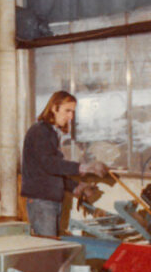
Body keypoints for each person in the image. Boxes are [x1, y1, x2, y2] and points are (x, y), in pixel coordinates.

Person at [20, 91, 107, 238]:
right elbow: (49, 164)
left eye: (73, 112)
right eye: (67, 111)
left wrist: (76, 187)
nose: (71, 117)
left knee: (52, 245)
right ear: (54, 108)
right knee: (47, 249)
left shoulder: (51, 133)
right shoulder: (40, 132)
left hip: (50, 200)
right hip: (42, 202)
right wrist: (83, 167)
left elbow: (53, 171)